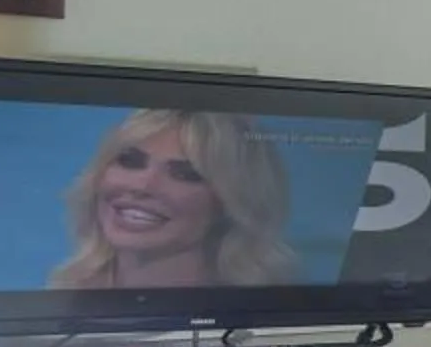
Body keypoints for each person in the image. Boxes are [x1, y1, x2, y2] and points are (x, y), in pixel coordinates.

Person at [50, 109, 298, 290]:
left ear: (228, 204)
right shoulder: (64, 296)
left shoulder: (257, 319)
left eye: (184, 174)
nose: (143, 186)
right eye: (130, 161)